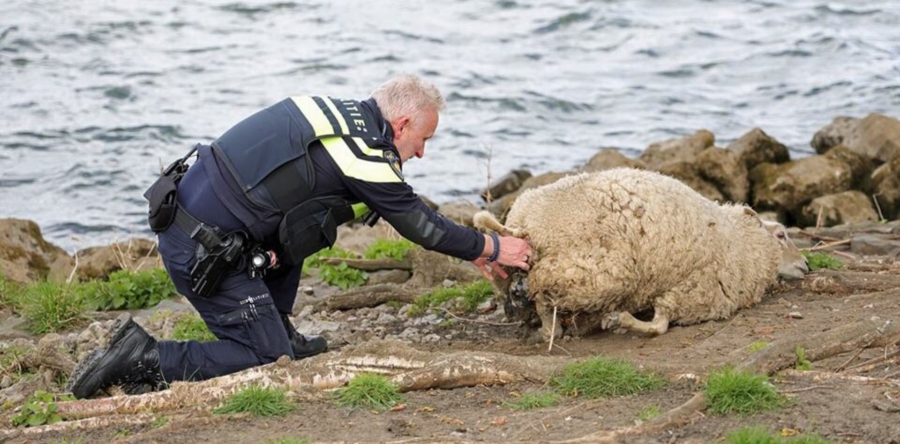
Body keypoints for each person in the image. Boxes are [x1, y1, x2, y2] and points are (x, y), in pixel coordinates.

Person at [66, 74, 533, 399]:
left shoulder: (330, 112)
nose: (423, 153)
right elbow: (417, 221)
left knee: (312, 220)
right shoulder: (362, 153)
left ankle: (279, 328)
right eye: (424, 140)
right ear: (402, 125)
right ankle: (143, 358)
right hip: (202, 252)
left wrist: (470, 252)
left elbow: (392, 203)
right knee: (266, 361)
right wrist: (491, 246)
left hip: (197, 225)